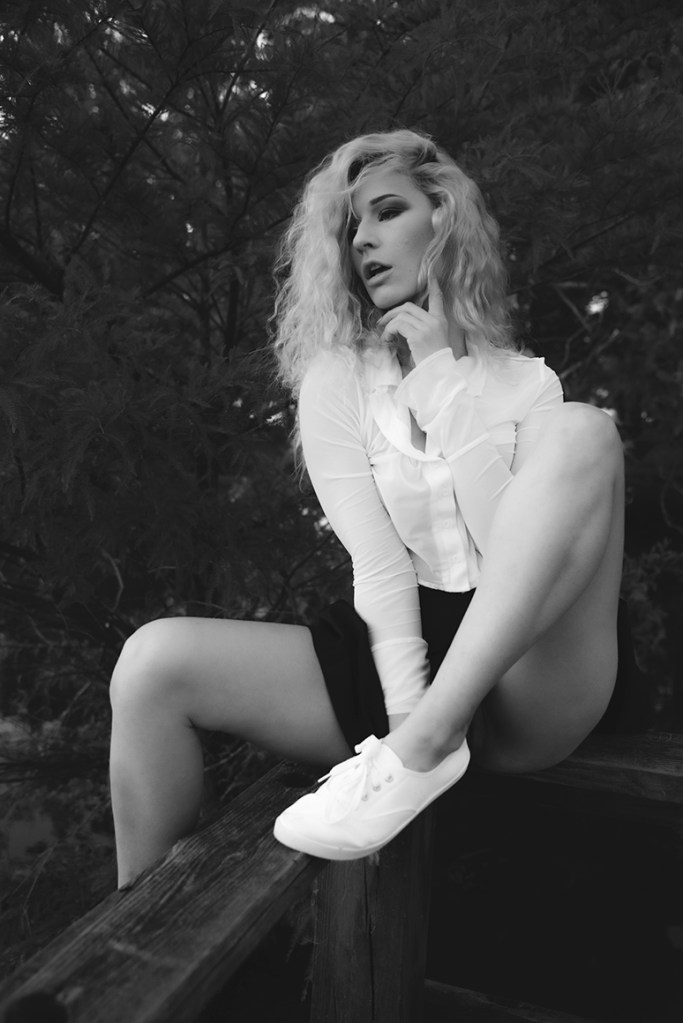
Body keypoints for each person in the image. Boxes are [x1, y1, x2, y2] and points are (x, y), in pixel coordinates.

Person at [109, 129, 626, 885]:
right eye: (352, 226)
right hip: (401, 650)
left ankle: (427, 745)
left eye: (387, 212)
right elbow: (379, 564)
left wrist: (442, 384)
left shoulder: (527, 385)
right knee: (152, 660)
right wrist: (407, 717)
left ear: (443, 217)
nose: (363, 240)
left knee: (585, 429)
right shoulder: (338, 381)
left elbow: (508, 559)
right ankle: (137, 936)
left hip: (528, 665)